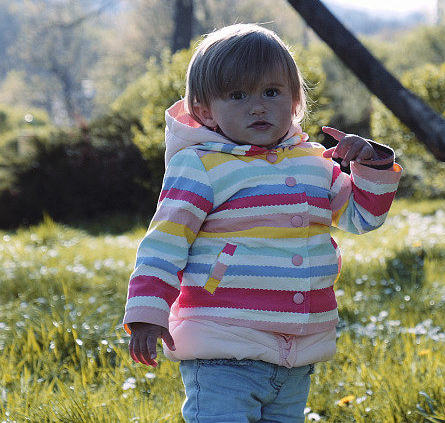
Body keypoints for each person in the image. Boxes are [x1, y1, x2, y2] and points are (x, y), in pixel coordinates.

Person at [122, 23, 401, 422]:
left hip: (296, 351)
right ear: (205, 111)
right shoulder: (202, 165)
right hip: (222, 346)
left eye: (272, 92)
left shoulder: (314, 163)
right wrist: (148, 312)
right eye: (237, 95)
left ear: (295, 101)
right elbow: (165, 243)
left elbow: (363, 218)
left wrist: (372, 163)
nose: (258, 106)